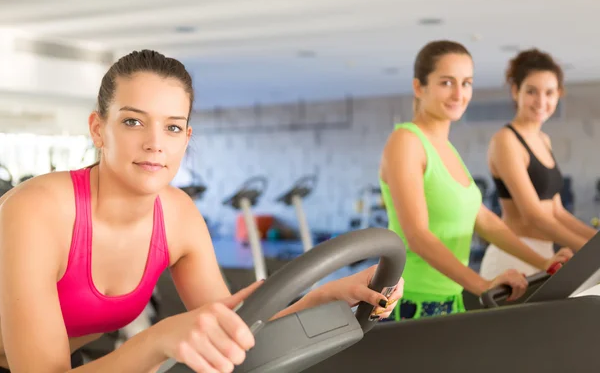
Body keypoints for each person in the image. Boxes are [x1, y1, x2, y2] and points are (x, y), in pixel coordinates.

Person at [0, 50, 404, 373]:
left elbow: (240, 329)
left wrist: (323, 297)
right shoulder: (37, 211)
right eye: (133, 122)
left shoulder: (177, 215)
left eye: (173, 127)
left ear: (186, 137)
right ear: (97, 129)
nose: (155, 143)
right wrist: (156, 340)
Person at [378, 40, 570, 322]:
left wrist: (542, 261)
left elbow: (483, 219)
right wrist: (482, 285)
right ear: (419, 87)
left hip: (449, 299)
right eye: (446, 82)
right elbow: (417, 236)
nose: (459, 93)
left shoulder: (446, 148)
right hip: (411, 302)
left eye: (466, 83)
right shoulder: (406, 141)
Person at [479, 48, 595, 280]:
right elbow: (534, 215)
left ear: (558, 94)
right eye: (532, 91)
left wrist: (594, 241)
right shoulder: (506, 141)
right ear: (515, 91)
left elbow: (557, 212)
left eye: (549, 92)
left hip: (545, 255)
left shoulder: (543, 140)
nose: (541, 101)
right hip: (512, 256)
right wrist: (592, 253)